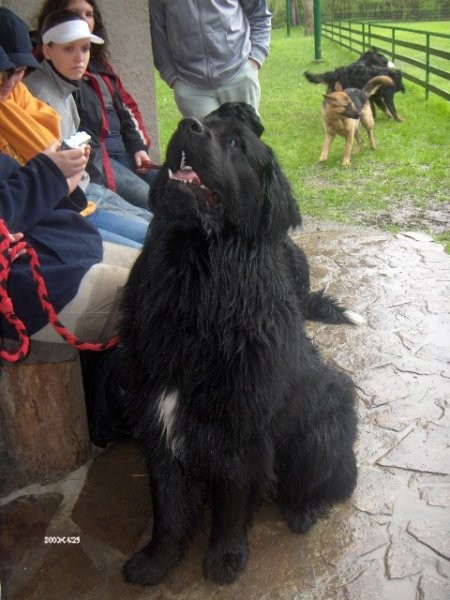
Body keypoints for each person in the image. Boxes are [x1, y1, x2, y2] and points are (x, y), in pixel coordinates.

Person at [1, 41, 139, 346]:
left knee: (170, 266)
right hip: (37, 285)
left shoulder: (21, 102)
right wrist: (52, 174)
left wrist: (63, 178)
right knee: (181, 297)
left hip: (66, 246)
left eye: (15, 73)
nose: (10, 85)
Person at [0, 8, 149, 249]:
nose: (79, 58)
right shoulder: (39, 90)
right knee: (148, 241)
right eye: (68, 48)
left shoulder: (35, 93)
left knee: (153, 226)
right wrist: (60, 168)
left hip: (81, 189)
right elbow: (39, 171)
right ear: (47, 50)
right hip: (65, 207)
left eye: (85, 48)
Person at [36, 0, 158, 211]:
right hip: (98, 162)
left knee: (171, 185)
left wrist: (138, 147)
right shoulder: (53, 80)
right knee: (151, 201)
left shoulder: (100, 66)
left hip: (124, 152)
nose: (79, 57)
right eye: (74, 13)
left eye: (88, 13)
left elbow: (125, 108)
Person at [149, 0, 272, 120]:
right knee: (207, 140)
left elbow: (259, 14)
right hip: (191, 85)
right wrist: (172, 77)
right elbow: (157, 31)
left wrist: (255, 58)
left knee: (245, 137)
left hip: (238, 73)